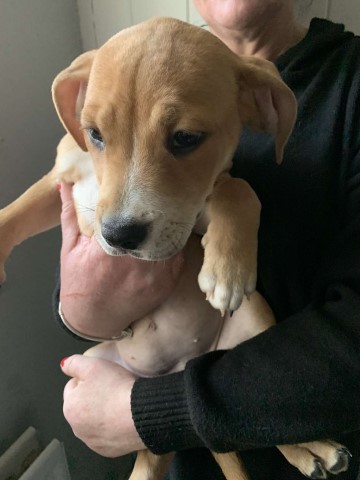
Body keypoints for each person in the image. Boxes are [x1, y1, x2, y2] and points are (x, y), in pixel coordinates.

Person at [54, 1, 360, 479]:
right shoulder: (125, 67)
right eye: (96, 133)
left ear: (263, 105)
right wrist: (76, 307)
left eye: (185, 137)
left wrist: (148, 413)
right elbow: (92, 278)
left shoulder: (348, 85)